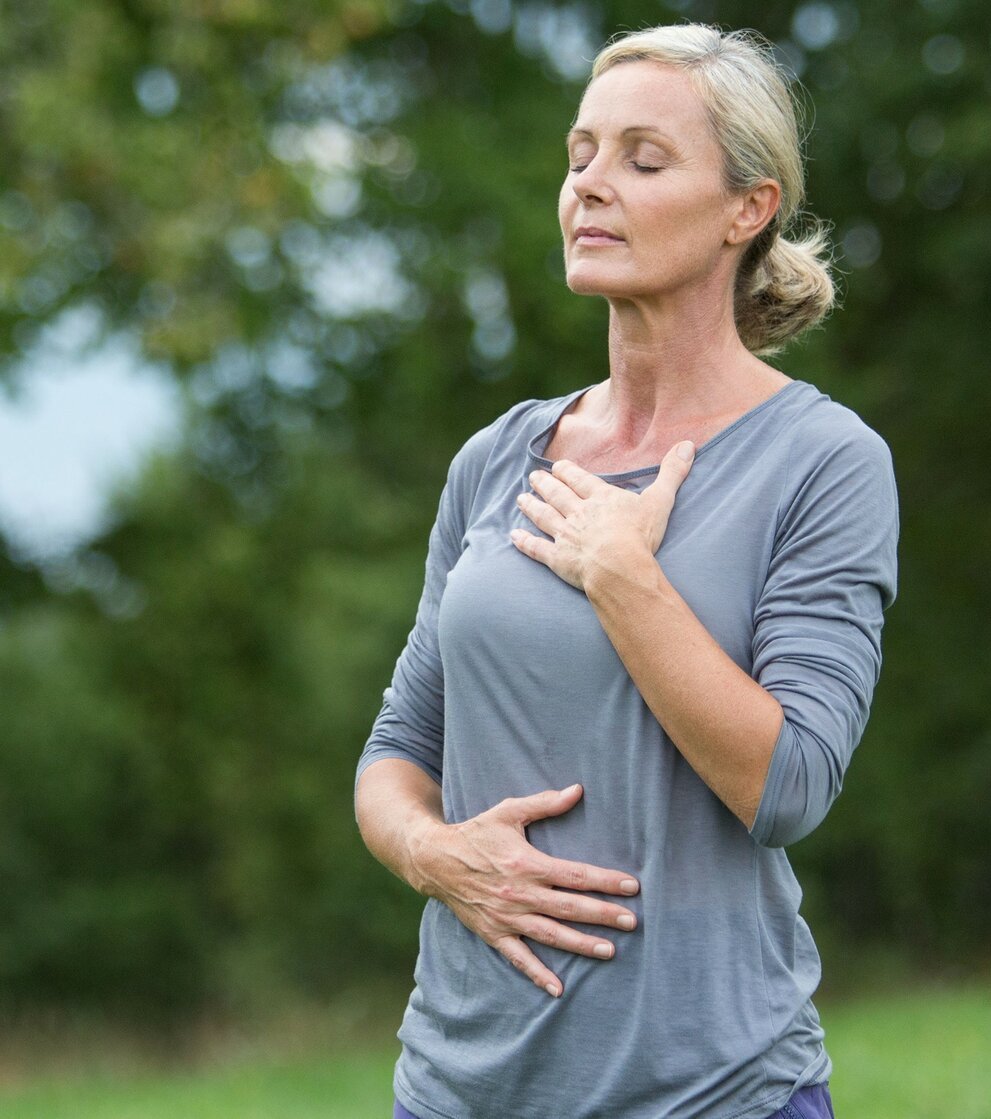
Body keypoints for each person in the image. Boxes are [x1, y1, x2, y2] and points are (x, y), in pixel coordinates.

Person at [355, 22, 898, 1119]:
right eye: (580, 155)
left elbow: (789, 785)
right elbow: (398, 750)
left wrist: (624, 577)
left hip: (713, 1093)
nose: (590, 187)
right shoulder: (499, 457)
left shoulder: (825, 462)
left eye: (642, 161)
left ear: (747, 209)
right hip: (454, 1091)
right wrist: (435, 853)